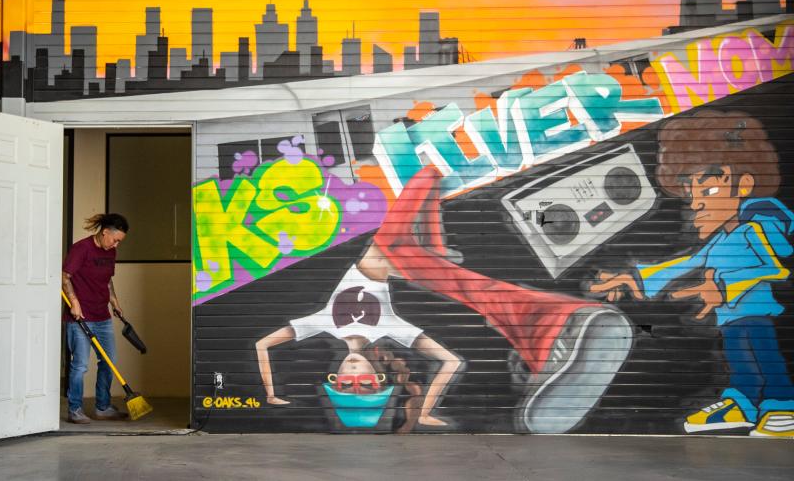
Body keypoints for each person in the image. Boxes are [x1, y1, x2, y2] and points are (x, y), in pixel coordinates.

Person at [257, 165, 633, 433]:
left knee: (480, 292)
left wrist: (272, 393)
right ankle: (548, 348)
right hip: (406, 260)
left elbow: (263, 345)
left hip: (396, 251)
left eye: (348, 385)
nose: (357, 379)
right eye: (366, 387)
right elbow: (449, 362)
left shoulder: (321, 322)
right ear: (380, 378)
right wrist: (425, 412)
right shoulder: (391, 328)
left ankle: (560, 333)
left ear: (334, 377)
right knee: (483, 300)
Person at [590, 110, 794, 438]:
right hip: (731, 318)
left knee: (765, 356)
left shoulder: (755, 229)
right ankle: (742, 405)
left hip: (755, 315)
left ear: (744, 185)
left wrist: (724, 288)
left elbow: (773, 268)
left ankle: (783, 407)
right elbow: (686, 263)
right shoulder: (721, 239)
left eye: (709, 192)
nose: (697, 205)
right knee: (740, 360)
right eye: (694, 195)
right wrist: (632, 278)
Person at [63, 213, 130, 424]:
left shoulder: (111, 252)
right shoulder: (81, 249)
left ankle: (103, 407)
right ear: (104, 233)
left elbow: (107, 280)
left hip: (102, 316)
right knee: (80, 365)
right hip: (80, 317)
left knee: (108, 362)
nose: (116, 244)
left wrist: (114, 301)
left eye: (119, 241)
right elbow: (65, 277)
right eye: (115, 239)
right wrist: (74, 302)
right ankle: (75, 410)